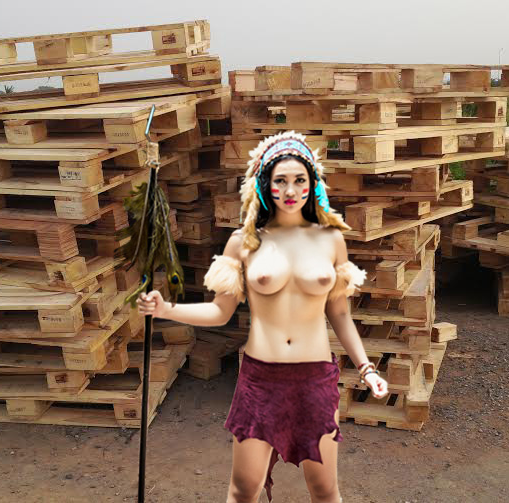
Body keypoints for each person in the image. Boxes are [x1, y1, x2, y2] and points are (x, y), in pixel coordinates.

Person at [138, 131, 388, 503]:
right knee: (244, 488)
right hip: (260, 379)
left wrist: (366, 369)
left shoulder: (330, 239)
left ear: (312, 184)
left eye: (299, 180)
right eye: (280, 180)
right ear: (264, 185)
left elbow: (339, 314)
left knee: (324, 488)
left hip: (314, 377)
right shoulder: (244, 241)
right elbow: (220, 311)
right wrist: (166, 309)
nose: (290, 190)